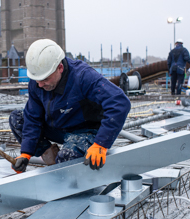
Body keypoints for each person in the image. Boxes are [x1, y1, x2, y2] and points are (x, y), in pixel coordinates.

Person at [9, 39, 131, 173]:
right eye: (37, 80)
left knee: (67, 158)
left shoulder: (83, 76)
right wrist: (26, 153)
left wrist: (101, 144)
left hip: (85, 130)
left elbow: (119, 102)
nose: (40, 85)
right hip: (59, 128)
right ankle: (50, 156)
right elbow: (33, 117)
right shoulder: (38, 81)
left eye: (45, 79)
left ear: (60, 68)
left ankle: (68, 156)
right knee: (17, 119)